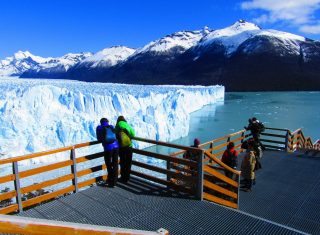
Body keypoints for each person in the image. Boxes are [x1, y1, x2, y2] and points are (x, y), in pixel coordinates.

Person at [96, 118, 119, 187]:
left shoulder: (99, 128)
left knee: (108, 165)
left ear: (101, 122)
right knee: (115, 164)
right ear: (107, 122)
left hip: (108, 149)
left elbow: (99, 139)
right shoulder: (111, 126)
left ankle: (110, 181)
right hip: (116, 147)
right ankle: (114, 181)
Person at [114, 116, 135, 183]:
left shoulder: (117, 125)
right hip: (129, 146)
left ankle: (123, 177)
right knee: (128, 162)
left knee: (122, 162)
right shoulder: (127, 125)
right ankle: (127, 178)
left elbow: (115, 135)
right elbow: (133, 134)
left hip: (121, 147)